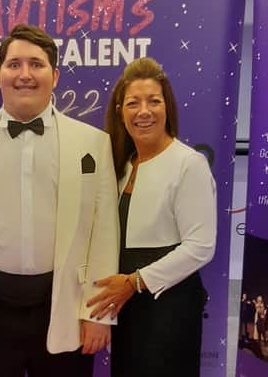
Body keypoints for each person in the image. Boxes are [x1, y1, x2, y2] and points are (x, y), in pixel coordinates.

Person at [0, 24, 119, 377]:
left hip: (65, 310)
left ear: (55, 75)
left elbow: (104, 236)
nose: (25, 74)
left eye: (36, 64)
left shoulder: (93, 143)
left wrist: (98, 313)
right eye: (14, 64)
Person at [86, 57, 216, 377]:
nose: (144, 111)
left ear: (167, 107)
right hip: (127, 306)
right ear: (120, 111)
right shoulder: (122, 164)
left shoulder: (189, 163)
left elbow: (201, 246)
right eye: (133, 103)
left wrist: (134, 282)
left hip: (169, 307)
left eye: (154, 101)